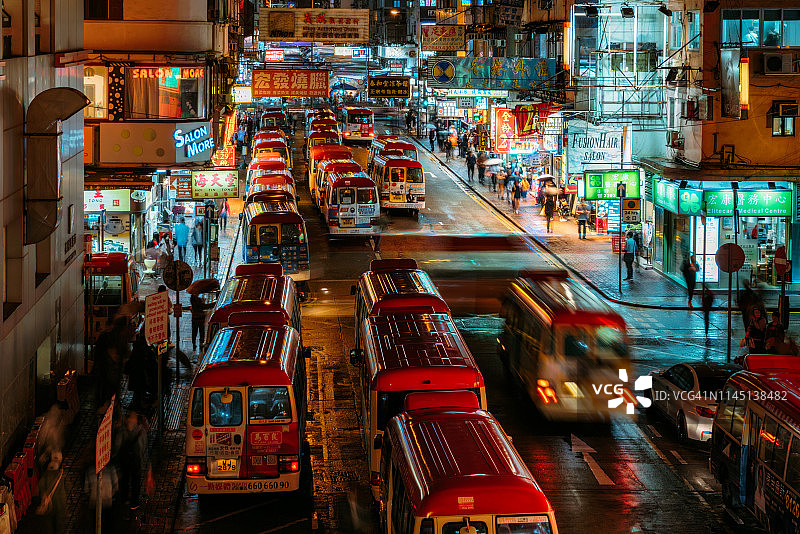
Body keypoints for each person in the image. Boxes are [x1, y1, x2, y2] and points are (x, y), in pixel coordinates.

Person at [115, 410, 147, 516]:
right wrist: (145, 463)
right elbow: (143, 448)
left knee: (124, 480)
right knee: (136, 482)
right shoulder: (141, 431)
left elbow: (117, 446)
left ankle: (125, 500)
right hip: (135, 462)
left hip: (124, 461)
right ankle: (134, 502)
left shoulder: (121, 431)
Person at [35, 450, 66, 534]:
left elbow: (40, 487)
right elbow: (67, 488)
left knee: (48, 526)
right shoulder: (61, 476)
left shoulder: (45, 476)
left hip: (48, 506)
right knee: (59, 526)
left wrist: (43, 495)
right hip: (60, 506)